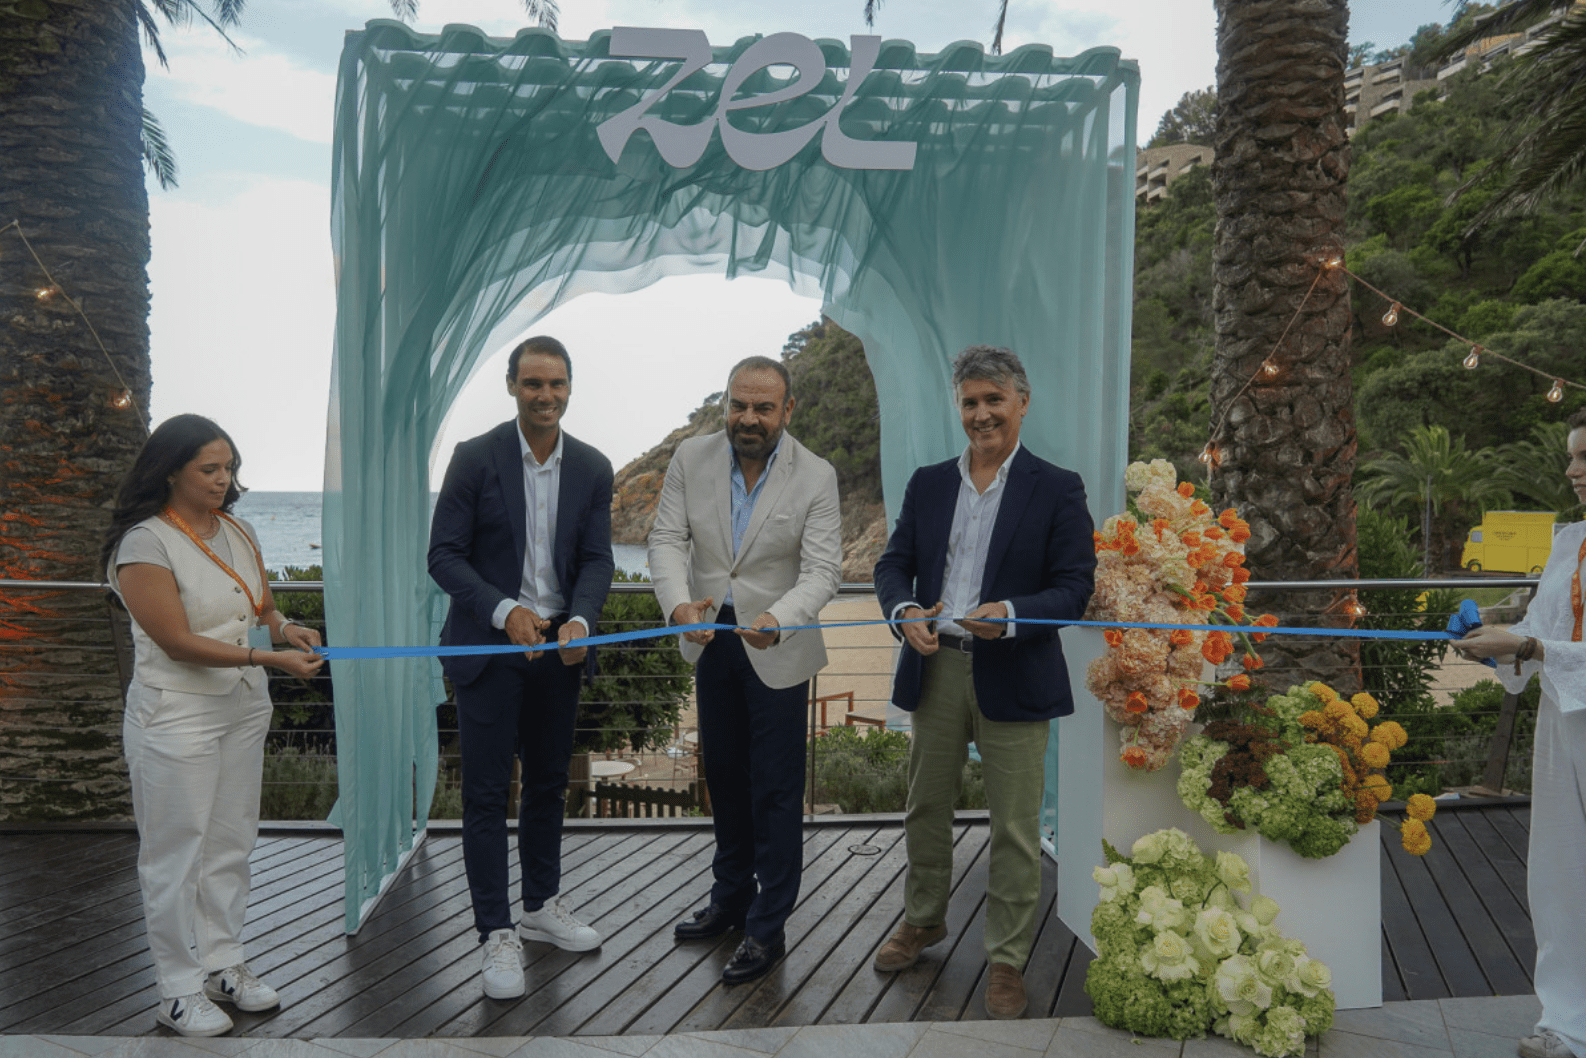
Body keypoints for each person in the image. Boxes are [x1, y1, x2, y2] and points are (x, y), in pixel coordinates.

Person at [871, 345, 1096, 1019]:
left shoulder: (1058, 487)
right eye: (970, 402)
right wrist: (904, 611)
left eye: (994, 399)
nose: (981, 414)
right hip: (935, 666)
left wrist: (1014, 614)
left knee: (1016, 826)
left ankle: (1007, 958)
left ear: (1022, 402)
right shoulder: (928, 484)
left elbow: (1075, 588)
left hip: (1016, 671)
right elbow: (892, 565)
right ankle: (923, 920)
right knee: (924, 807)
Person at [102, 414, 325, 1038]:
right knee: (175, 855)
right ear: (170, 470)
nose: (223, 480)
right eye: (209, 469)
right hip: (176, 715)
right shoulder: (144, 544)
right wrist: (267, 658)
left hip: (243, 709)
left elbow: (262, 606)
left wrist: (286, 628)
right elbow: (175, 641)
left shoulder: (239, 530)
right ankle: (176, 989)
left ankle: (223, 963)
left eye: (229, 468)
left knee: (230, 843)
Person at [427, 335, 615, 1000]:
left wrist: (581, 620)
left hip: (559, 653)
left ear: (569, 388)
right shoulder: (474, 458)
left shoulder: (593, 466)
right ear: (511, 385)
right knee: (484, 796)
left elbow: (597, 559)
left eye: (556, 383)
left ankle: (539, 906)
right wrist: (505, 610)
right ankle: (495, 932)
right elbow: (443, 555)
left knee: (547, 786)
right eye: (533, 383)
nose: (545, 395)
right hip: (488, 649)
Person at [648, 355, 842, 985]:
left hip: (777, 644)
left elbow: (823, 571)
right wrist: (678, 605)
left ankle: (767, 925)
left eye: (763, 407)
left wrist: (780, 618)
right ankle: (730, 898)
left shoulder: (816, 474)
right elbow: (665, 540)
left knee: (777, 790)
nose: (748, 418)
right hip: (711, 639)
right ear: (725, 404)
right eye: (738, 405)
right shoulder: (690, 457)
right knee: (725, 776)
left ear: (788, 410)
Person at [1457, 406, 1586, 1058]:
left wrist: (1530, 648)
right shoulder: (1570, 542)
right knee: (1560, 873)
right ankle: (1567, 1022)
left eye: (1585, 457)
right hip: (1563, 720)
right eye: (1571, 457)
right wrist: (1490, 643)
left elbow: (1539, 643)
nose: (1572, 470)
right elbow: (1538, 629)